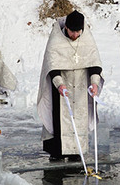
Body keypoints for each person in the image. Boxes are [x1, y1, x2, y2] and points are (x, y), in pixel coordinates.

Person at [37, 10, 103, 161]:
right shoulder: (56, 39)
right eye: (72, 31)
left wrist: (94, 83)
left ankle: (77, 153)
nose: (75, 35)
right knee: (61, 118)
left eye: (78, 32)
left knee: (79, 118)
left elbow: (94, 63)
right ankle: (58, 153)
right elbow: (52, 66)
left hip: (81, 85)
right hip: (61, 86)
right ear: (66, 27)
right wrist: (59, 85)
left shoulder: (86, 37)